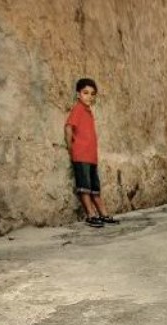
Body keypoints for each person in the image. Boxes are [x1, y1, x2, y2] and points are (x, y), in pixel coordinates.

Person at [64, 78, 120, 228]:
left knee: (95, 188)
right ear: (78, 94)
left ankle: (104, 214)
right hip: (81, 155)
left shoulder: (88, 112)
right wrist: (71, 148)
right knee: (84, 187)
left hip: (91, 157)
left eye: (92, 94)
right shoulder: (78, 109)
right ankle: (91, 214)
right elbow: (69, 127)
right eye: (85, 93)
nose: (89, 96)